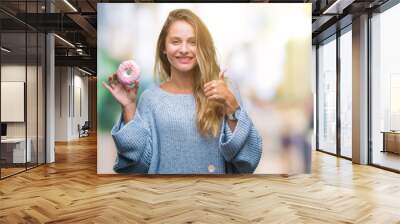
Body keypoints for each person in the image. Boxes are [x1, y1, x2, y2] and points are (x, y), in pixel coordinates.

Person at [103, 9, 262, 174]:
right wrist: (129, 106)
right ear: (164, 47)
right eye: (176, 41)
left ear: (202, 47)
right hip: (166, 197)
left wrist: (232, 107)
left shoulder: (225, 90)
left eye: (193, 42)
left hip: (215, 196)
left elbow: (248, 161)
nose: (184, 49)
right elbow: (137, 166)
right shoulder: (151, 99)